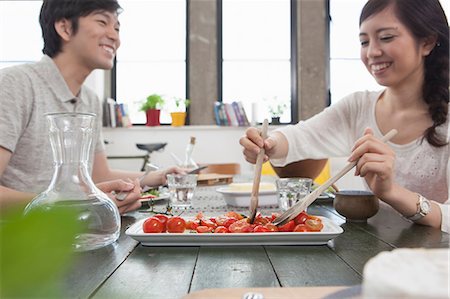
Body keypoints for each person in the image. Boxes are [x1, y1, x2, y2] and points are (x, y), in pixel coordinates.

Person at [240, 0, 449, 232]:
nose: (372, 52)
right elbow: (300, 137)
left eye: (387, 37)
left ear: (427, 42)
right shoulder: (358, 106)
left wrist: (391, 192)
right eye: (364, 41)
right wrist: (267, 143)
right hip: (375, 255)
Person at [0, 0, 183, 213]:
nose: (115, 36)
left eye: (116, 27)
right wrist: (70, 207)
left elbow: (98, 174)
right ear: (65, 28)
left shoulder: (90, 99)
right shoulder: (14, 84)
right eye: (102, 22)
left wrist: (152, 178)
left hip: (76, 234)